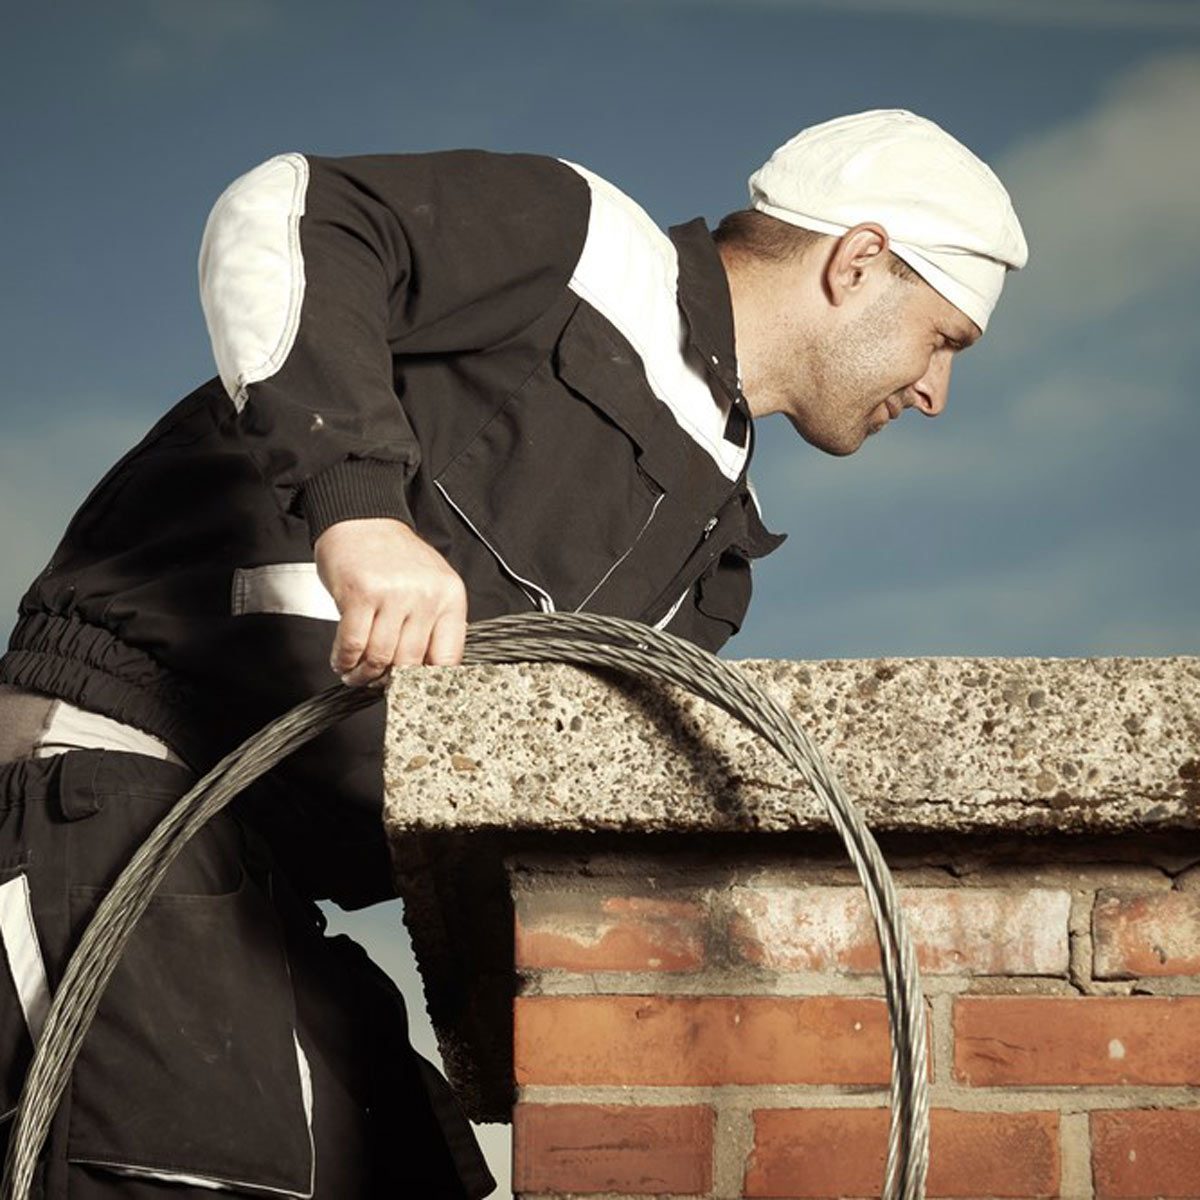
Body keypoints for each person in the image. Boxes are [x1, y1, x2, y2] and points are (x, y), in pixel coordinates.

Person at [0, 109, 1026, 1198]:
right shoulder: (586, 247)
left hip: (266, 896)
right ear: (858, 262)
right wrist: (360, 512)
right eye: (943, 338)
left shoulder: (716, 566)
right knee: (200, 1171)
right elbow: (293, 211)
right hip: (112, 799)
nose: (934, 390)